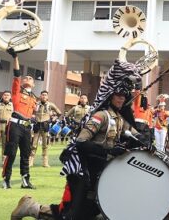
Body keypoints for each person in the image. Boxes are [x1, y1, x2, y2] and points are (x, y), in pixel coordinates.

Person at [11, 59, 143, 220]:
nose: (121, 99)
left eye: (124, 95)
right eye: (118, 95)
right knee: (73, 215)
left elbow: (134, 134)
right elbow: (81, 142)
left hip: (100, 170)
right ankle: (31, 208)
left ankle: (33, 208)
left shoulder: (119, 118)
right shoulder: (101, 116)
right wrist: (109, 151)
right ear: (110, 95)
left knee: (93, 212)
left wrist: (146, 141)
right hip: (82, 170)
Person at [2, 52, 38, 189]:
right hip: (15, 125)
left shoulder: (34, 98)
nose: (27, 78)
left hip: (27, 127)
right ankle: (6, 179)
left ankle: (25, 180)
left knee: (25, 154)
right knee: (11, 153)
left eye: (30, 78)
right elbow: (17, 73)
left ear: (34, 84)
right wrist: (15, 57)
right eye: (26, 77)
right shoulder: (17, 91)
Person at [30, 90, 61, 168]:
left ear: (47, 97)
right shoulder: (36, 104)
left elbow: (59, 112)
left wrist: (53, 119)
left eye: (45, 95)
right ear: (40, 96)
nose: (44, 96)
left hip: (45, 126)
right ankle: (30, 162)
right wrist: (32, 117)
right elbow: (30, 111)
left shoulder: (50, 105)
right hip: (37, 125)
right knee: (33, 145)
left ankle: (45, 163)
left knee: (45, 145)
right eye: (42, 95)